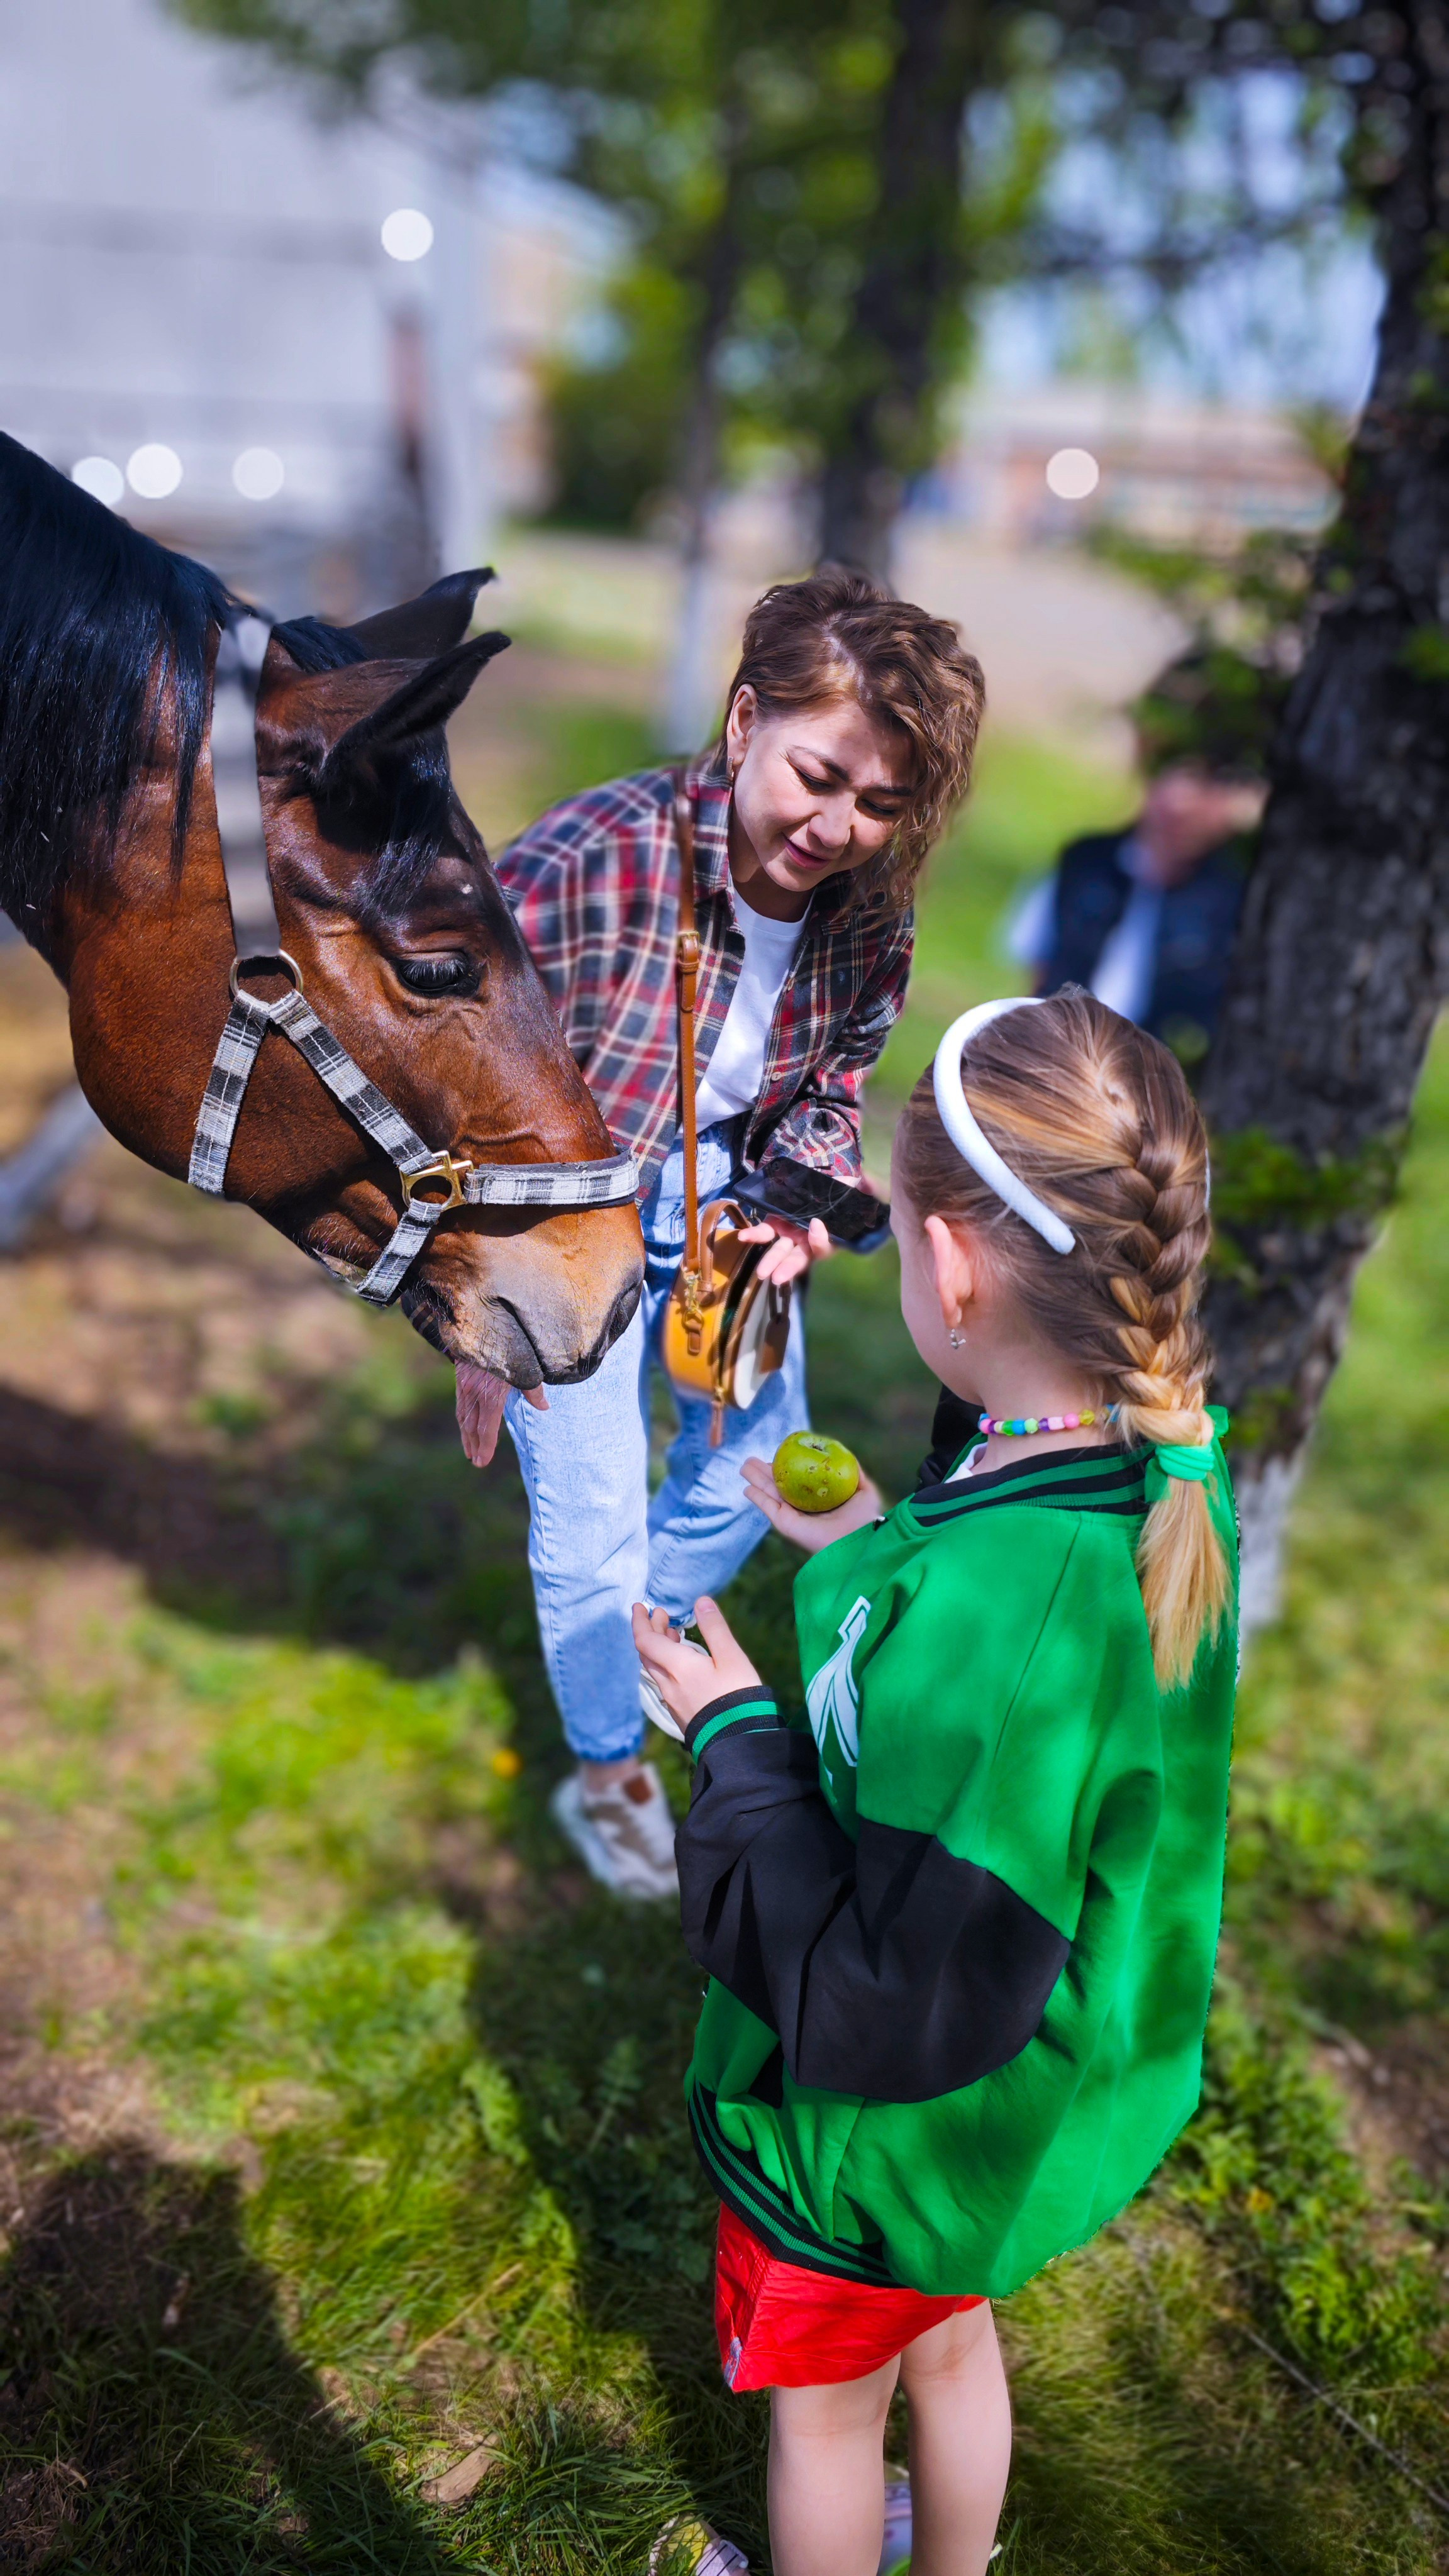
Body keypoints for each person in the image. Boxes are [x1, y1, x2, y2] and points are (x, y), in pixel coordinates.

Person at [635, 987, 1239, 2576]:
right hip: (1015, 2107)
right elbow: (978, 1637)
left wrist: (738, 1736)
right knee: (953, 2337)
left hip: (895, 2123)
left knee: (826, 2414)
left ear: (957, 1267)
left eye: (899, 1237)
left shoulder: (1015, 1606)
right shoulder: (1145, 1460)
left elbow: (898, 1990)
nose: (899, 1260)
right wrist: (860, 1552)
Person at [456, 570, 984, 1899]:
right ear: (745, 720)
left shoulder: (872, 907)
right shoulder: (590, 858)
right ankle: (606, 1766)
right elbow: (450, 1073)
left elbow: (830, 1084)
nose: (841, 824)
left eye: (880, 802)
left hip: (726, 1203)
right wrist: (470, 1301)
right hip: (560, 1207)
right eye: (819, 775)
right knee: (588, 1509)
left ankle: (624, 1639)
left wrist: (796, 1207)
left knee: (749, 1466)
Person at [1014, 648, 1270, 1069]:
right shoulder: (1087, 863)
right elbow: (1036, 981)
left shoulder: (1234, 903)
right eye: (1170, 769)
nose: (1179, 799)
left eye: (1211, 779)